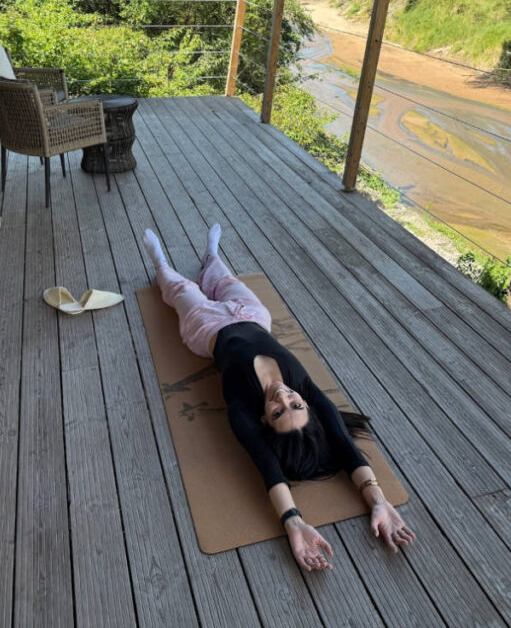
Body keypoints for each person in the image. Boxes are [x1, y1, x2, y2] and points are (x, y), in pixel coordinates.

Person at [143, 224, 415, 571]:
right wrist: (378, 499)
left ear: (263, 420)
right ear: (308, 406)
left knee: (180, 289)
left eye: (277, 411)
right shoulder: (304, 387)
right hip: (255, 318)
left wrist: (294, 522)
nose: (284, 396)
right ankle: (210, 256)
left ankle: (160, 261)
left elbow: (267, 466)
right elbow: (342, 441)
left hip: (206, 328)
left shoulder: (242, 408)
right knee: (225, 281)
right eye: (296, 405)